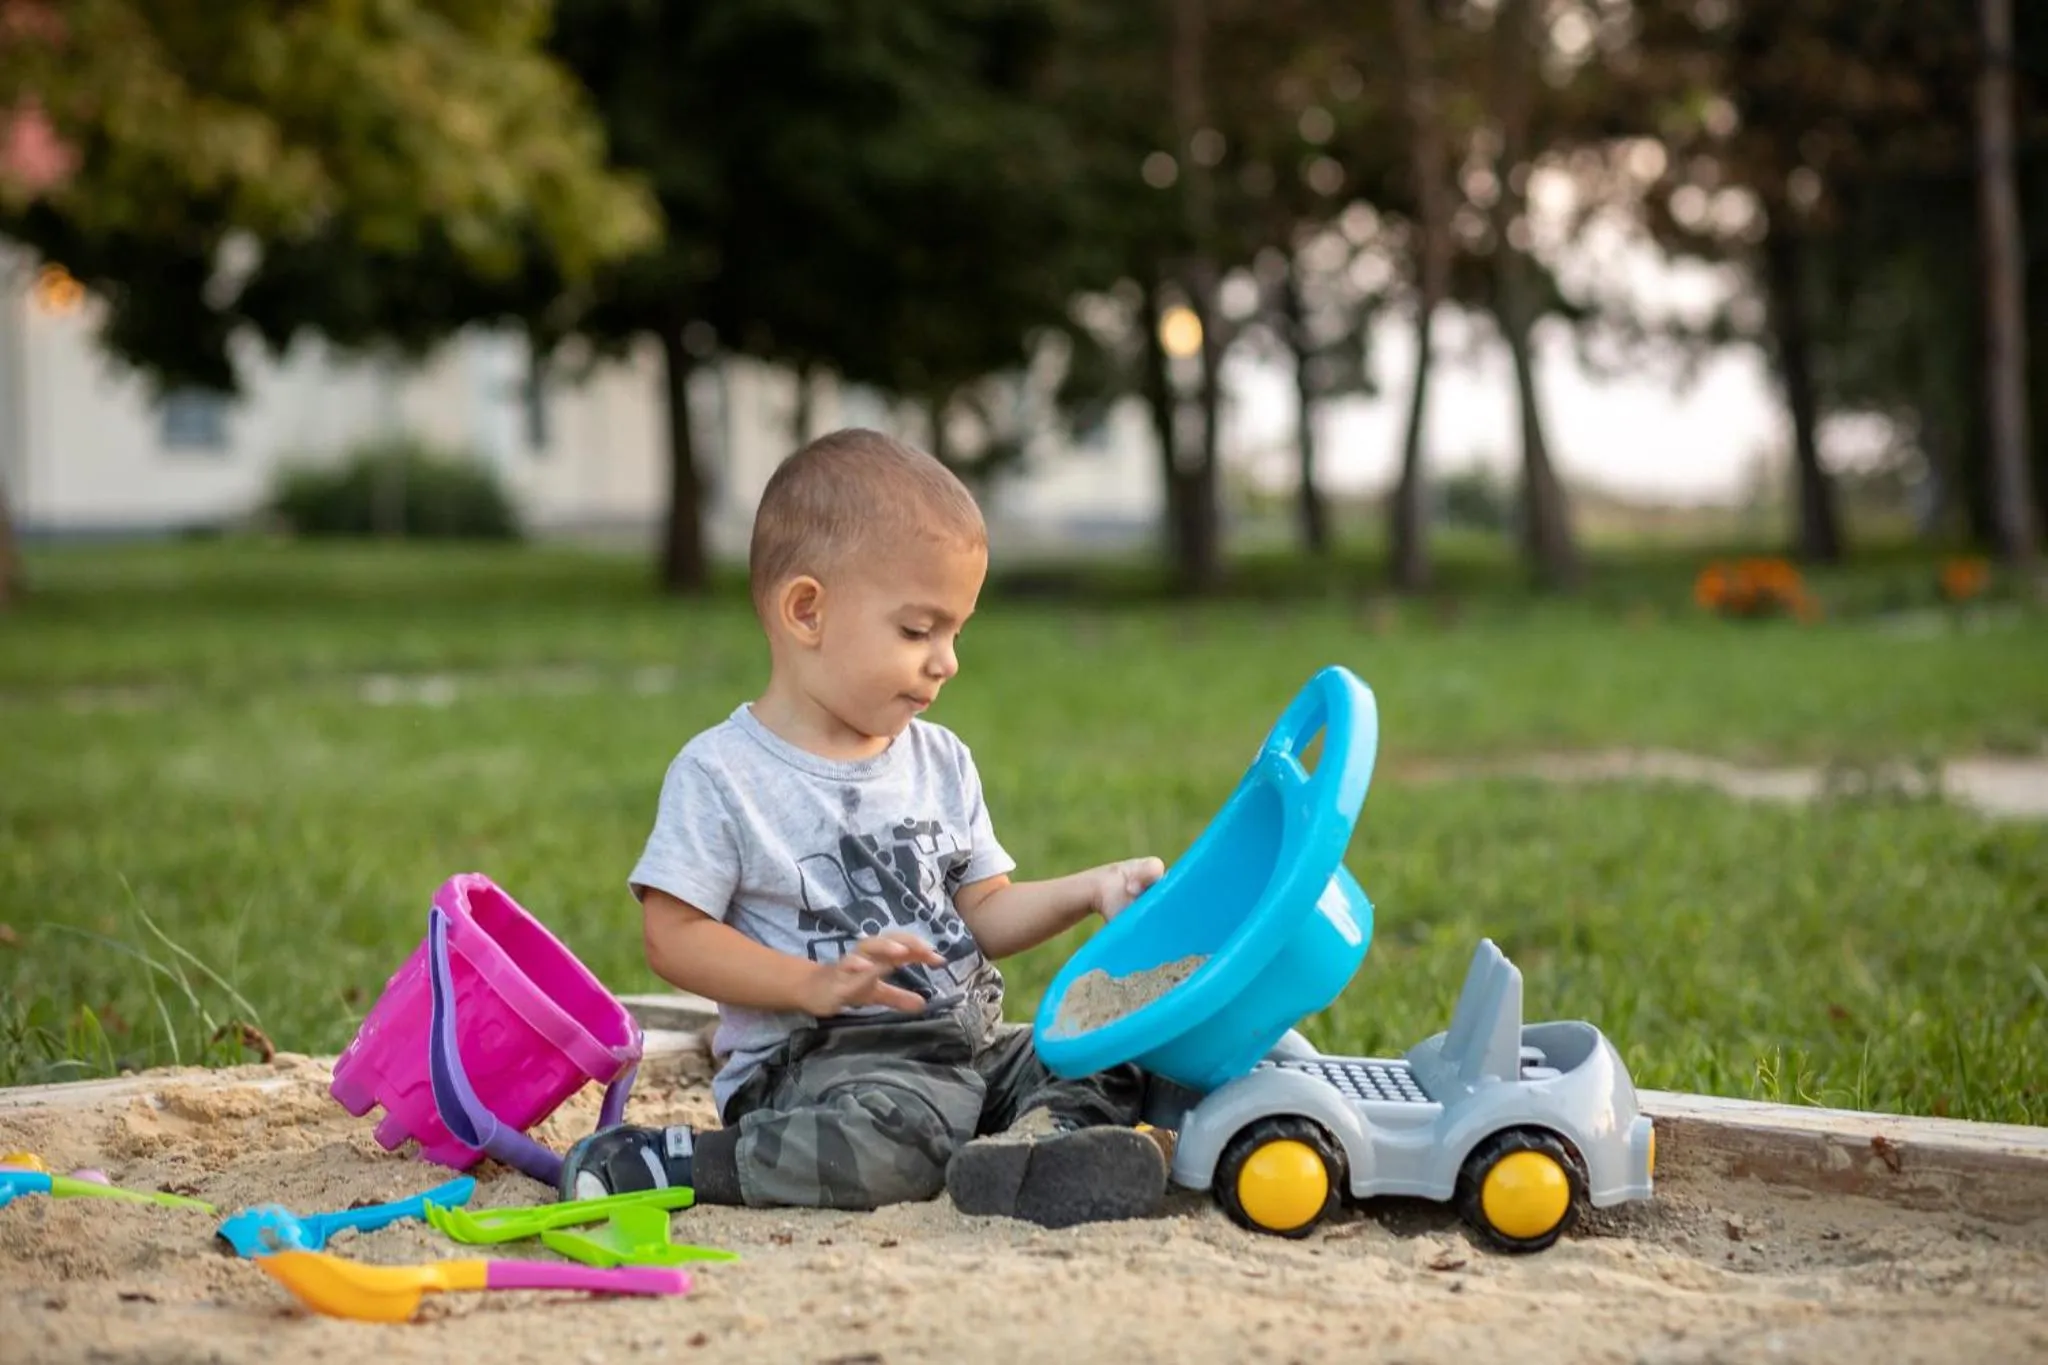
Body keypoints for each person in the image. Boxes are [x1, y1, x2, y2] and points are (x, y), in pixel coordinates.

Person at [559, 428, 1171, 1229]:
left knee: (1105, 1048)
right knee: (904, 1144)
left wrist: (1091, 889)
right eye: (918, 631)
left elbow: (986, 910)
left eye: (956, 632)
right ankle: (669, 1159)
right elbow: (672, 936)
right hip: (821, 1066)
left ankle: (1030, 1147)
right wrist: (810, 984)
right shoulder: (723, 775)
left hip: (964, 1045)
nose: (946, 660)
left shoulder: (940, 760)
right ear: (807, 611)